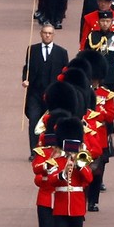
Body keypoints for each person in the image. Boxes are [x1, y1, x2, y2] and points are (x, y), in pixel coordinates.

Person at [22, 24, 69, 152]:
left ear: (53, 35)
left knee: (51, 123)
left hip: (52, 95)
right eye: (45, 33)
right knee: (34, 121)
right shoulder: (32, 50)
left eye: (50, 33)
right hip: (35, 93)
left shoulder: (61, 52)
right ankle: (34, 150)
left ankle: (49, 149)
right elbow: (27, 68)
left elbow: (66, 72)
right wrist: (25, 80)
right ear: (41, 34)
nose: (47, 35)